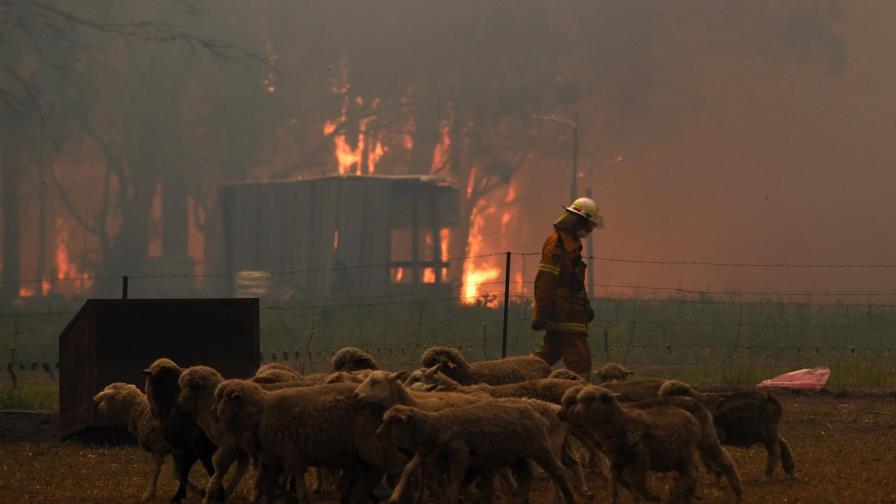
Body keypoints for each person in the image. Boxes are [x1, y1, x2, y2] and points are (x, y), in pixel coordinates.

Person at [531, 197, 604, 379]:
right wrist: (541, 311)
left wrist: (586, 306)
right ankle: (580, 398)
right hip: (562, 313)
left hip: (570, 312)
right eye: (587, 225)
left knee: (549, 353)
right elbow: (546, 278)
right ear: (576, 221)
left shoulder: (572, 244)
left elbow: (575, 282)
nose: (589, 230)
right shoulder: (557, 243)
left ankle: (519, 376)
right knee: (580, 360)